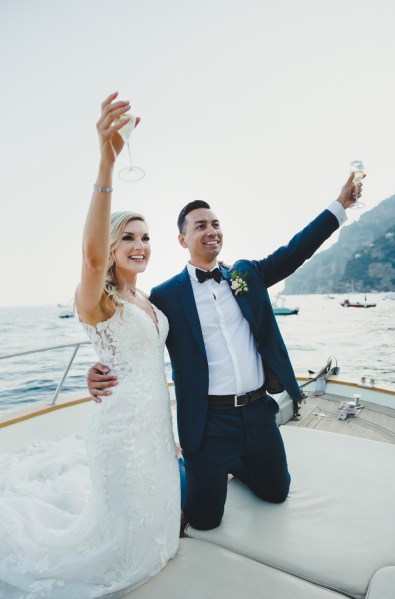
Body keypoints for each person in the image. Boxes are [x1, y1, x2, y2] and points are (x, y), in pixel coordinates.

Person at [88, 168, 362, 532]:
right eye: (199, 225)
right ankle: (189, 468)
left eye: (215, 223)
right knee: (204, 521)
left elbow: (297, 251)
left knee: (277, 492)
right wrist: (97, 370)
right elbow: (135, 341)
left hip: (258, 414)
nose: (211, 230)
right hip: (208, 424)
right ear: (182, 240)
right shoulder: (166, 297)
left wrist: (340, 205)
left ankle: (240, 464)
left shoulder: (246, 274)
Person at [0, 93, 180, 599]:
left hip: (155, 425)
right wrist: (106, 161)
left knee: (155, 520)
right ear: (113, 248)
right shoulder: (96, 300)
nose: (140, 245)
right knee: (118, 541)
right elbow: (91, 251)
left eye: (145, 236)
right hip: (120, 428)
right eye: (129, 238)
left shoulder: (145, 298)